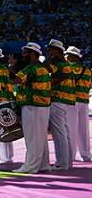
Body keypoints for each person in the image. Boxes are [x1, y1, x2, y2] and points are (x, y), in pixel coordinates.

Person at [12, 42, 51, 173]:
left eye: (26, 53)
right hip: (42, 106)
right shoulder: (43, 67)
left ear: (33, 54)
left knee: (32, 137)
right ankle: (43, 164)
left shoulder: (31, 68)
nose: (23, 55)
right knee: (41, 138)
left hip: (32, 106)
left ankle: (31, 166)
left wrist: (10, 66)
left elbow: (16, 80)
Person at [46, 39, 74, 170]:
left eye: (50, 49)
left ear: (56, 51)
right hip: (66, 100)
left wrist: (48, 84)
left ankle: (62, 163)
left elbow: (58, 75)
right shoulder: (64, 62)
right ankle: (67, 162)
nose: (48, 52)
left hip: (58, 99)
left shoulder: (57, 62)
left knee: (59, 132)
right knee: (64, 131)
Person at [65, 46, 90, 162]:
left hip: (72, 100)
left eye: (67, 55)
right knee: (83, 129)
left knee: (71, 128)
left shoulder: (68, 68)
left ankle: (71, 155)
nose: (65, 57)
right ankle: (86, 154)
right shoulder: (88, 70)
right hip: (84, 100)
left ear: (71, 57)